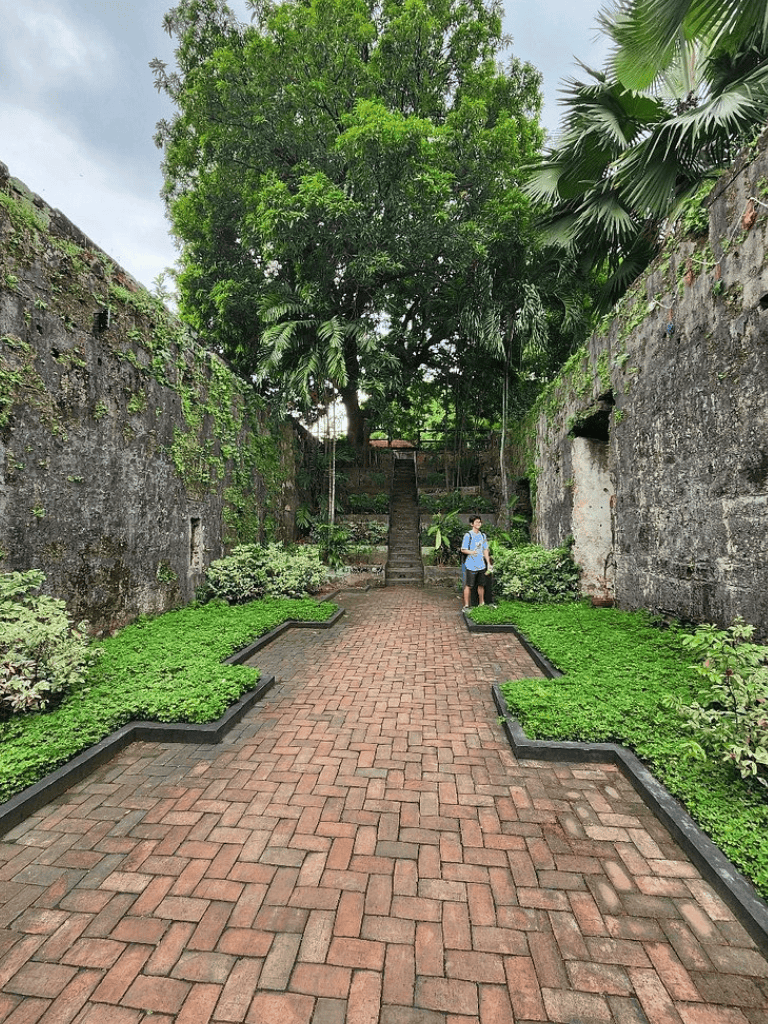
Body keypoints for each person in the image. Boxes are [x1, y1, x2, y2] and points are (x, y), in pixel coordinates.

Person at [461, 515, 491, 610]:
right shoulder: (468, 535)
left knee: (481, 584)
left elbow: (485, 550)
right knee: (469, 585)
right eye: (476, 522)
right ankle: (466, 605)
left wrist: (488, 563)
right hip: (471, 565)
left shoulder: (483, 535)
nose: (479, 524)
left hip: (481, 565)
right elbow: (463, 549)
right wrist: (471, 552)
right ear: (472, 524)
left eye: (480, 522)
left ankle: (481, 603)